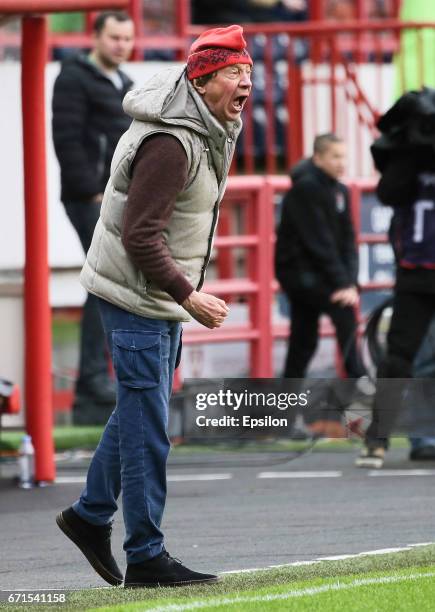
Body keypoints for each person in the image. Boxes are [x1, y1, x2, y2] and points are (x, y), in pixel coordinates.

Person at [55, 25, 253, 588]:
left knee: (137, 413)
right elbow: (142, 238)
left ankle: (90, 515)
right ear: (205, 77)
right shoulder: (171, 141)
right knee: (148, 429)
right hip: (139, 294)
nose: (246, 84)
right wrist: (189, 295)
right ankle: (145, 554)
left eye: (249, 73)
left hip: (153, 296)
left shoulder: (204, 122)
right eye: (235, 73)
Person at [52, 11, 135, 423]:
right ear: (96, 38)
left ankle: (98, 378)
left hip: (115, 198)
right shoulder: (74, 78)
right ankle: (92, 381)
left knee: (107, 282)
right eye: (115, 37)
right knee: (103, 283)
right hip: (91, 198)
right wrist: (92, 192)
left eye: (127, 38)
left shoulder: (125, 83)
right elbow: (66, 140)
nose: (122, 45)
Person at [356, 95, 435, 467]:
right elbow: (388, 192)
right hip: (417, 275)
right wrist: (411, 148)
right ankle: (378, 438)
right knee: (399, 359)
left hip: (416, 272)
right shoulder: (410, 161)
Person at [275, 134, 366, 390]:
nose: (342, 163)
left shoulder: (340, 190)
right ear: (318, 158)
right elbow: (319, 242)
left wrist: (350, 281)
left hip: (322, 276)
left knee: (303, 341)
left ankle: (285, 411)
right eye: (335, 156)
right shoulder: (305, 189)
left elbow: (348, 239)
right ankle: (360, 384)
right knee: (343, 316)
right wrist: (343, 284)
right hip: (302, 276)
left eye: (344, 156)